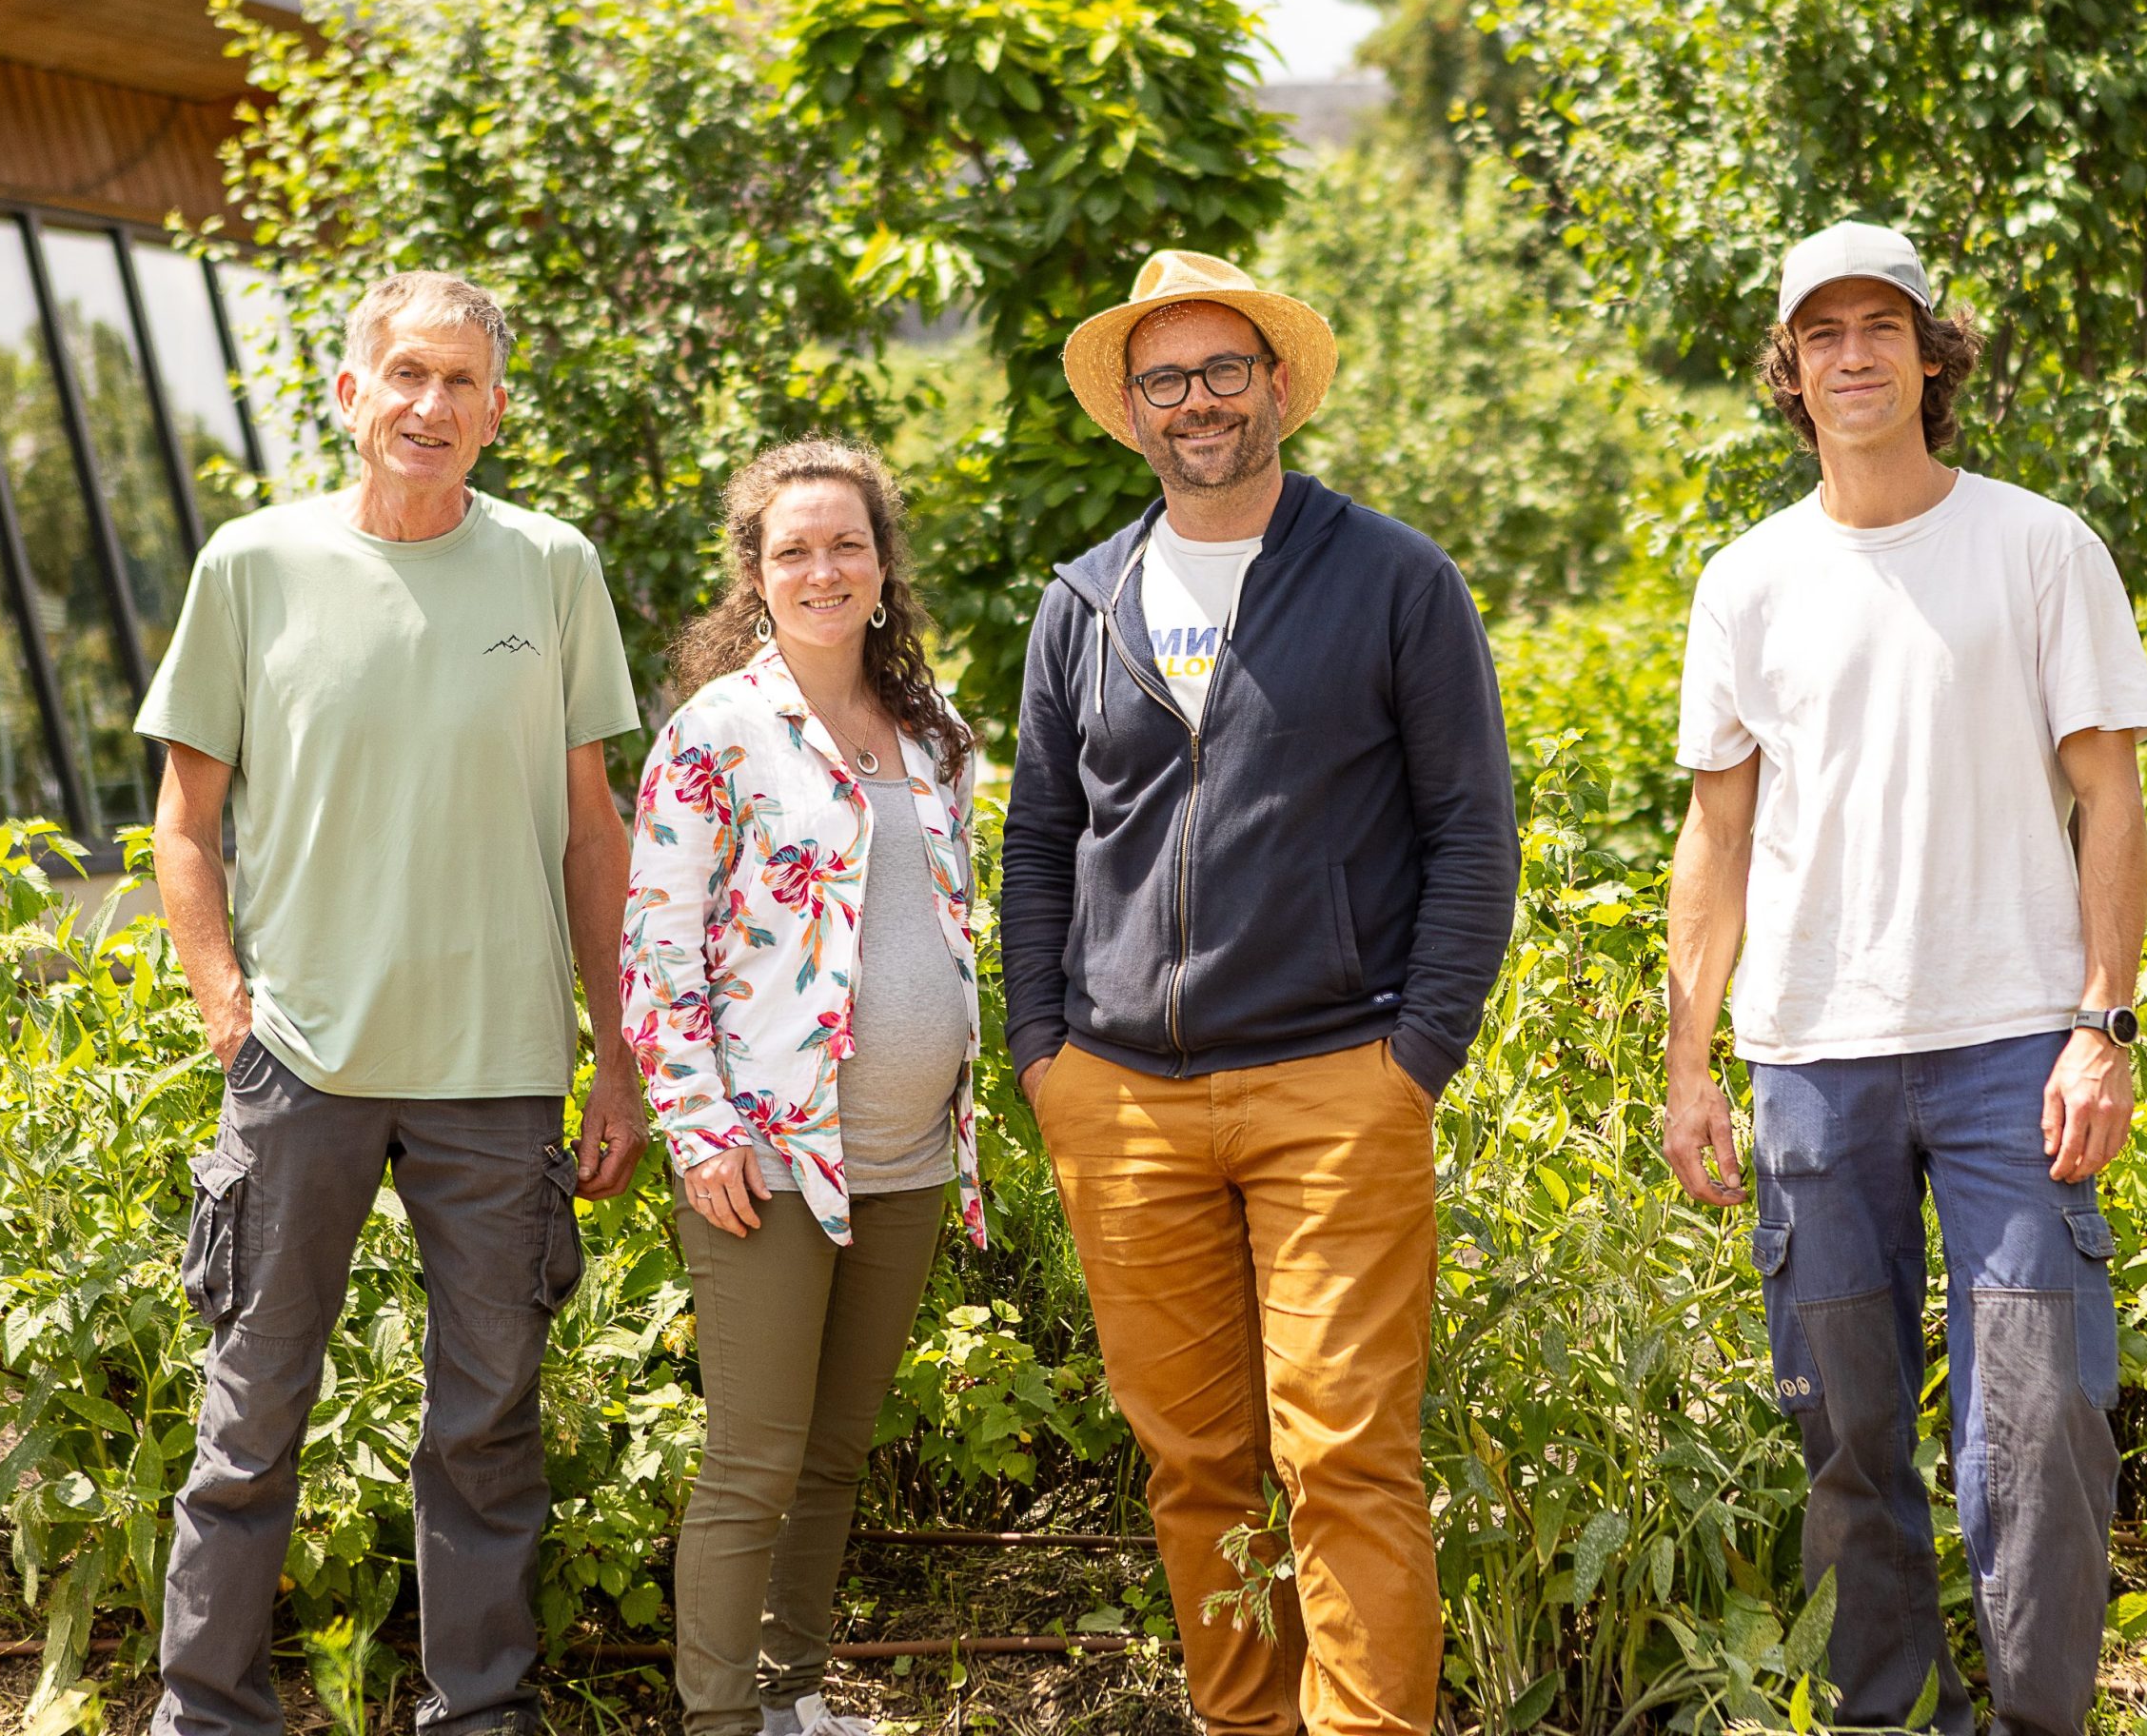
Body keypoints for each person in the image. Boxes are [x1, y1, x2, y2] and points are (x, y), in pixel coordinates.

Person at [999, 251, 1520, 1736]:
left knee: (1347, 1458)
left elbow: (1472, 833)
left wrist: (1411, 1058)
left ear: (1279, 386)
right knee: (1196, 1466)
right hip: (1122, 1102)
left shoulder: (1394, 579)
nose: (1199, 402)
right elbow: (1042, 840)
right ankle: (1244, 1723)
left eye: (1226, 371)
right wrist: (1044, 1051)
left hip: (1335, 1084)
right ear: (1133, 410)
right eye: (1165, 380)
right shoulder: (1082, 600)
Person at [1664, 221, 2147, 1736]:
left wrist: (2103, 1024)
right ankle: (1889, 1717)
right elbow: (1716, 829)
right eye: (1824, 334)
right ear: (1791, 372)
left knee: (2042, 1424)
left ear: (1934, 356)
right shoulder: (1745, 581)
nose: (1855, 354)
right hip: (1813, 1057)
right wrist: (1690, 1067)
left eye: (1884, 326)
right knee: (1845, 1432)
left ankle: (2037, 1724)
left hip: (2017, 1049)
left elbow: (2112, 799)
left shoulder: (2038, 544)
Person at [138, 271, 647, 1736]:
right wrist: (228, 1003)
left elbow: (589, 835)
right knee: (249, 1422)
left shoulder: (553, 566)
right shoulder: (252, 564)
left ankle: (478, 1716)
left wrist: (615, 1059)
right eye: (407, 376)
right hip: (300, 1064)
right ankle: (207, 1715)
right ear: (353, 393)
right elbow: (186, 819)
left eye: (464, 383)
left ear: (497, 409)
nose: (434, 407)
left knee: (487, 1430)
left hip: (499, 1071)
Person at [620, 437, 984, 1736]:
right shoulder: (716, 735)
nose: (821, 567)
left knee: (834, 1454)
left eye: (845, 544)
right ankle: (720, 1723)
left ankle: (794, 1703)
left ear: (883, 568)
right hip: (770, 1161)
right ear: (756, 579)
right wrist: (700, 1130)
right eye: (793, 550)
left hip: (912, 1155)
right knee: (754, 1462)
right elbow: (655, 952)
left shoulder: (937, 739)